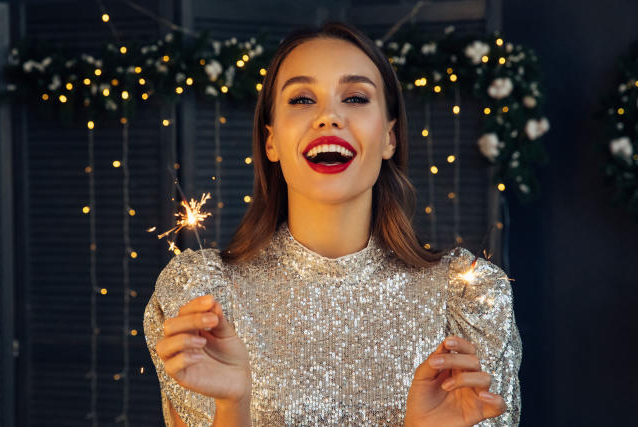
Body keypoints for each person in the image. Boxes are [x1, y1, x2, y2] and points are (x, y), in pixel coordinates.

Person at [143, 21, 522, 427]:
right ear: (270, 140)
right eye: (303, 99)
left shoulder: (468, 299)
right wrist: (234, 407)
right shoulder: (203, 298)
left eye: (356, 98)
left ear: (389, 138)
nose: (329, 117)